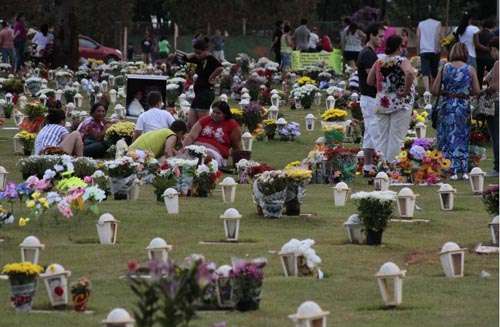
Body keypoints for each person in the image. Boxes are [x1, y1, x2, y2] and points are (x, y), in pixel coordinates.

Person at [431, 42, 480, 180]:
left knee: (446, 136)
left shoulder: (445, 67)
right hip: (462, 106)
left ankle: (447, 168)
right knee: (462, 136)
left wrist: (447, 91)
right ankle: (462, 169)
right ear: (465, 53)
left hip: (446, 105)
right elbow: (476, 91)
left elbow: (434, 90)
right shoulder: (470, 69)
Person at [367, 35, 416, 163]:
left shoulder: (379, 61)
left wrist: (384, 88)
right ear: (399, 46)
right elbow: (410, 73)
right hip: (400, 103)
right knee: (396, 137)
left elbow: (369, 80)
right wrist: (405, 90)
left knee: (382, 137)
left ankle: (381, 165)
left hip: (383, 103)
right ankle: (392, 166)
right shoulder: (402, 60)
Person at [356, 23, 384, 176]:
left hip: (369, 98)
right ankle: (383, 167)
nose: (381, 40)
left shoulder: (371, 53)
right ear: (371, 35)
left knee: (369, 134)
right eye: (379, 36)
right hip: (370, 98)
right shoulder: (368, 54)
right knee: (375, 132)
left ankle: (367, 166)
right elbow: (372, 79)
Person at [182, 101, 241, 166]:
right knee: (188, 153)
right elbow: (191, 136)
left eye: (218, 113)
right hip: (197, 147)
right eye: (213, 112)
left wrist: (237, 164)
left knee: (204, 157)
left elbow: (236, 147)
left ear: (225, 114)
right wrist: (182, 149)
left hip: (215, 153)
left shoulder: (232, 125)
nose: (215, 114)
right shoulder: (206, 119)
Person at [181, 38, 223, 128]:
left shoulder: (210, 59)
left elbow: (220, 68)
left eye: (199, 53)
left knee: (202, 124)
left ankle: (203, 140)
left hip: (206, 93)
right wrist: (194, 54)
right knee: (190, 123)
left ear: (206, 51)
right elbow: (185, 58)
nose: (197, 55)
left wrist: (211, 77)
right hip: (198, 93)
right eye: (196, 52)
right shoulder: (199, 58)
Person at [483, 38, 499, 176]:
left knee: (496, 135)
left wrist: (484, 91)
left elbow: (494, 85)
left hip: (497, 102)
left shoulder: (498, 63)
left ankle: (497, 167)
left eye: (492, 51)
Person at [416, 13, 442, 92]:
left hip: (424, 50)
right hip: (434, 50)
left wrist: (418, 50)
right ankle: (434, 88)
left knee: (425, 71)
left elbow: (418, 36)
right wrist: (437, 48)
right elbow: (438, 36)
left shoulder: (421, 24)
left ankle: (427, 90)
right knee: (434, 70)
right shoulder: (438, 23)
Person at [474, 18, 496, 85]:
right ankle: (489, 87)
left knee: (479, 74)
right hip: (489, 57)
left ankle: (479, 88)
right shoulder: (492, 35)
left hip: (479, 57)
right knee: (490, 73)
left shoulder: (478, 34)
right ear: (492, 26)